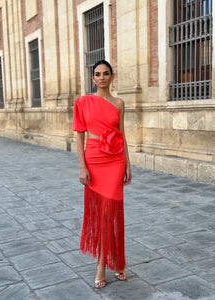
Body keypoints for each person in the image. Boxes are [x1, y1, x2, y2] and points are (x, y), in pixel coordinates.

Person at [72, 60, 132, 289]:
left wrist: (128, 163)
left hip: (116, 160)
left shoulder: (119, 103)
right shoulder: (83, 103)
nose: (102, 77)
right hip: (94, 159)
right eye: (98, 74)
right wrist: (81, 166)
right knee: (103, 213)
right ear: (92, 78)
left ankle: (112, 260)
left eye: (106, 73)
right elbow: (79, 136)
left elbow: (122, 133)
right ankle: (103, 264)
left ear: (112, 76)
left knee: (112, 211)